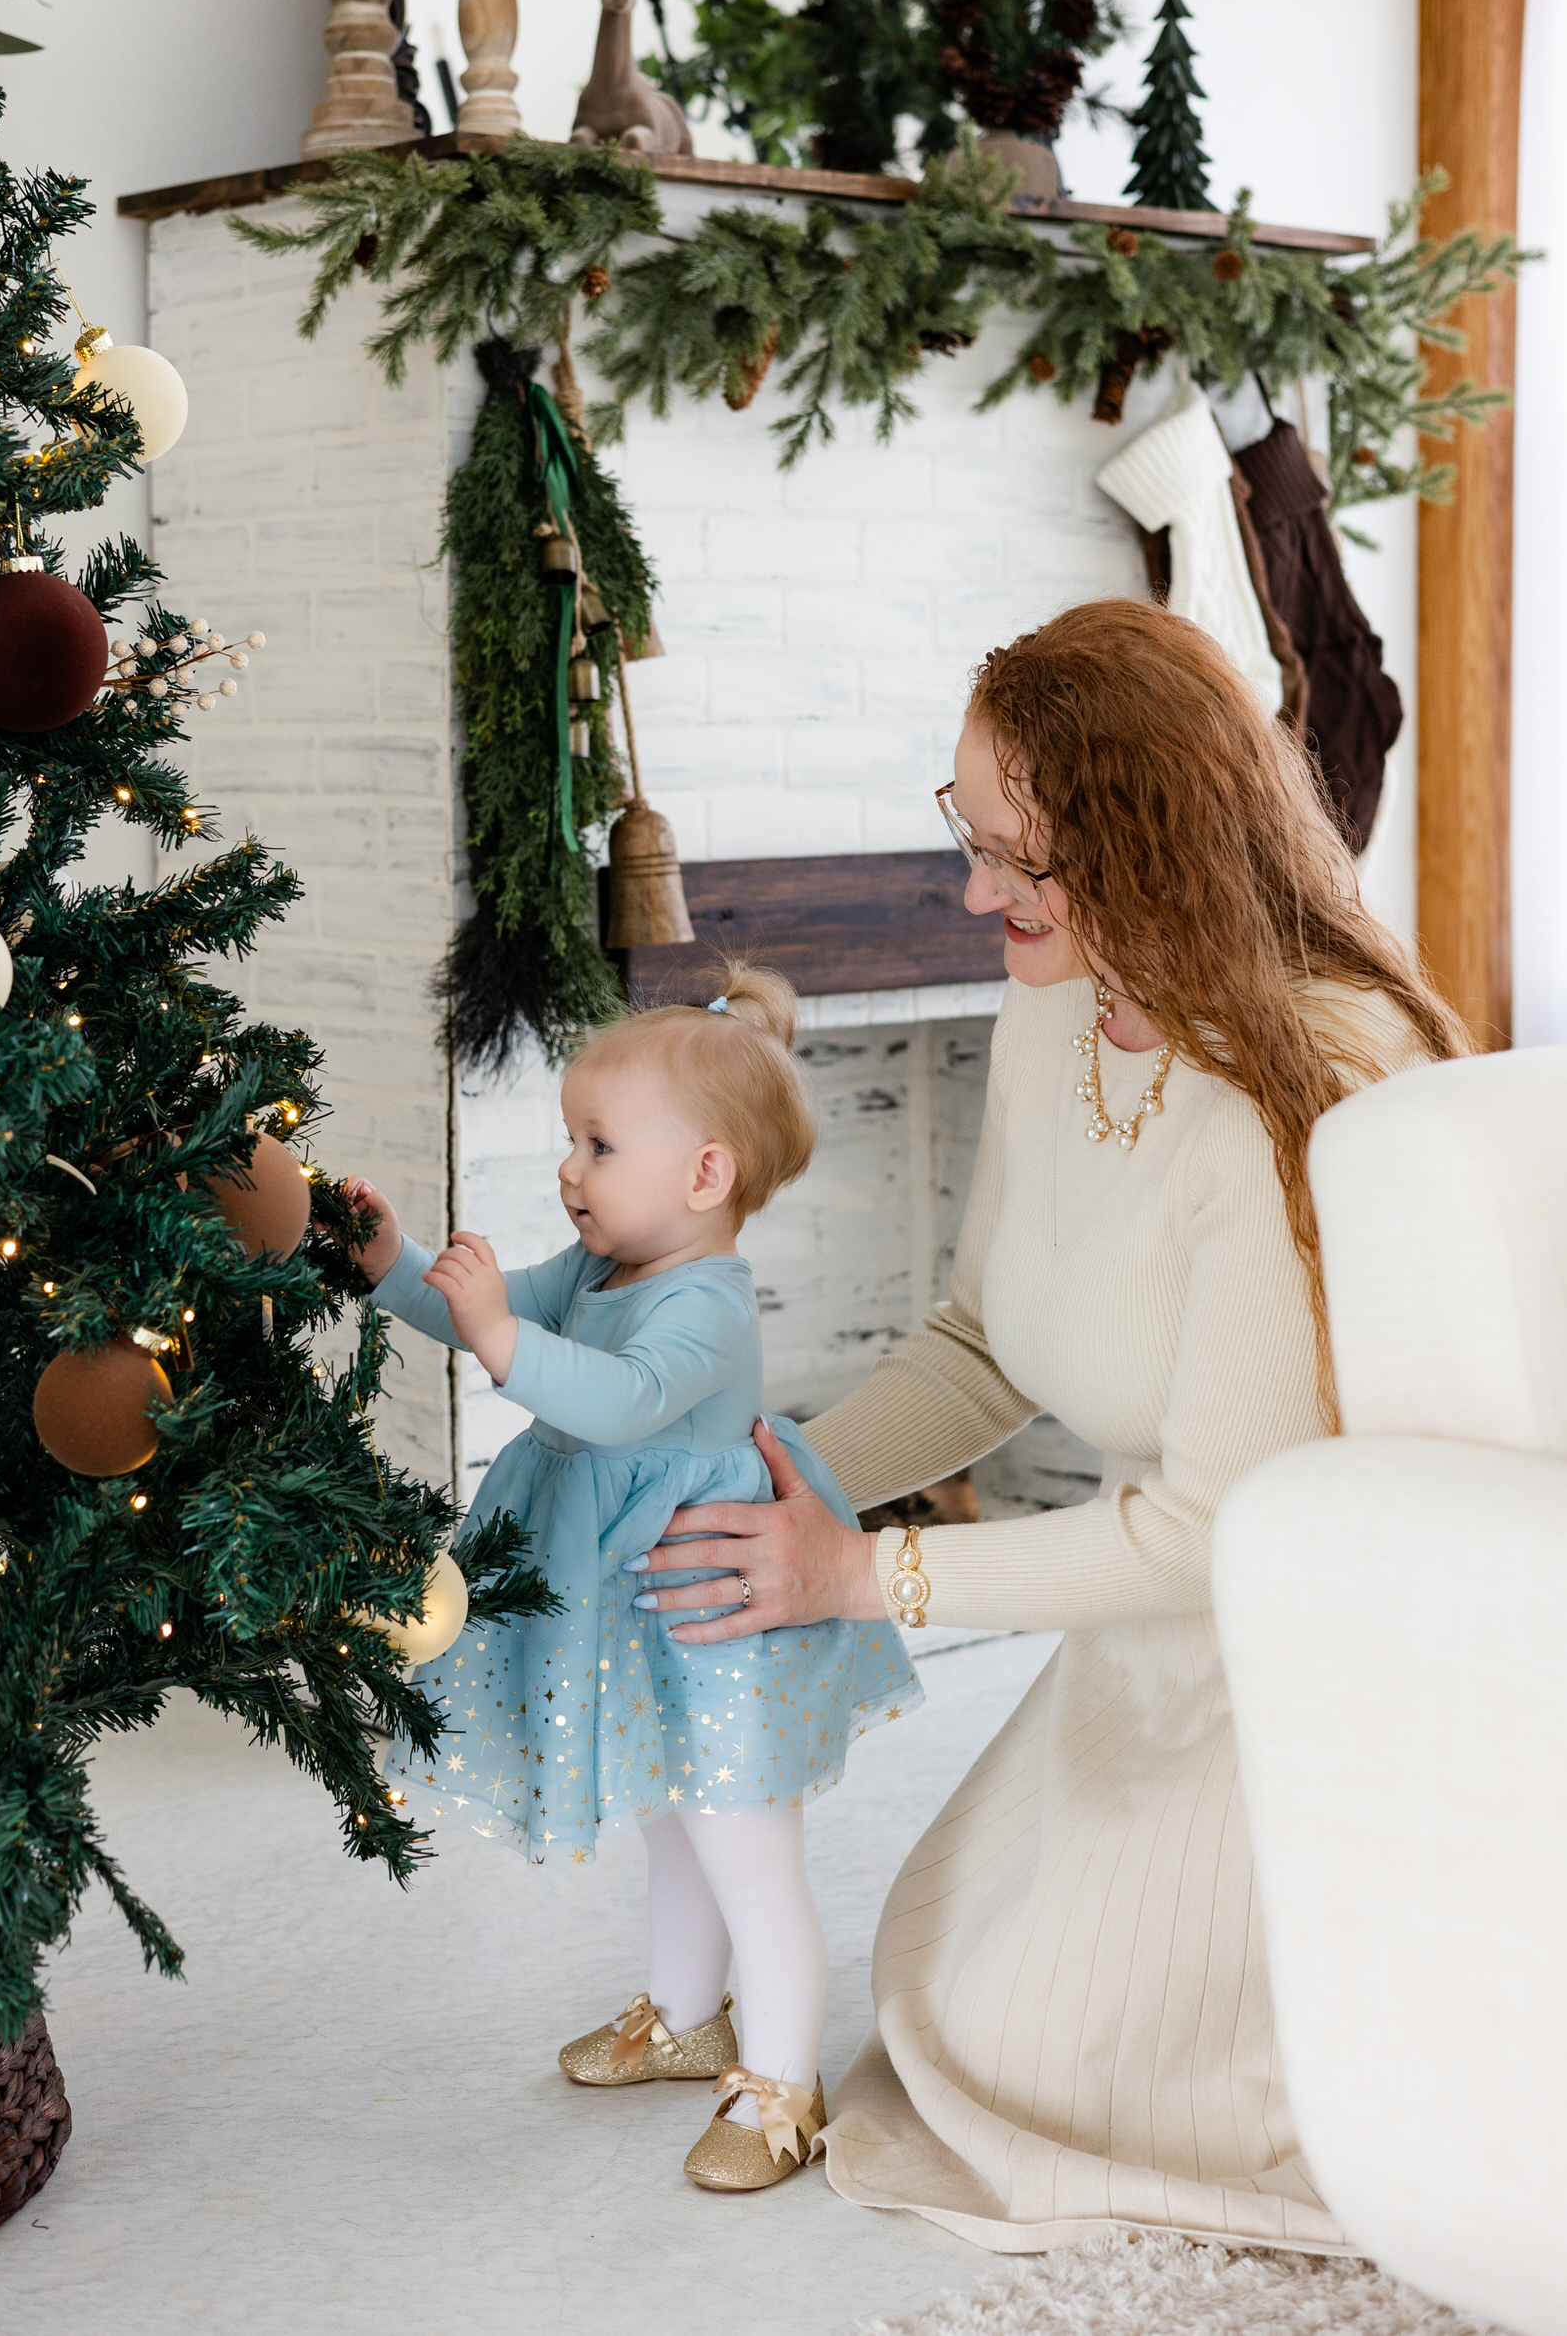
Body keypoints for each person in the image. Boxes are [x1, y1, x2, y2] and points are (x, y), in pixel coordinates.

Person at [624, 599, 1471, 2254]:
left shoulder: (1304, 1086)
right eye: (971, 834)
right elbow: (982, 1341)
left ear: (1151, 839)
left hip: (1320, 1658)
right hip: (1158, 1636)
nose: (972, 890)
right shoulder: (1063, 1003)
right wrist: (772, 1484)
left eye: (1021, 853)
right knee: (937, 1984)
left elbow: (1213, 1529)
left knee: (1042, 2063)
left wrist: (855, 1582)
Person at [341, 964, 919, 2193]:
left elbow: (617, 1402)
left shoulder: (704, 1305)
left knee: (742, 1845)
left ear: (703, 1175)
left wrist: (504, 1336)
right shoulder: (597, 1270)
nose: (569, 1170)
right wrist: (398, 1265)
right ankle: (681, 2011)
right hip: (635, 1610)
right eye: (569, 1140)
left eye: (597, 1145)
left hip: (716, 1610)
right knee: (671, 1817)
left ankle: (780, 2088)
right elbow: (477, 1315)